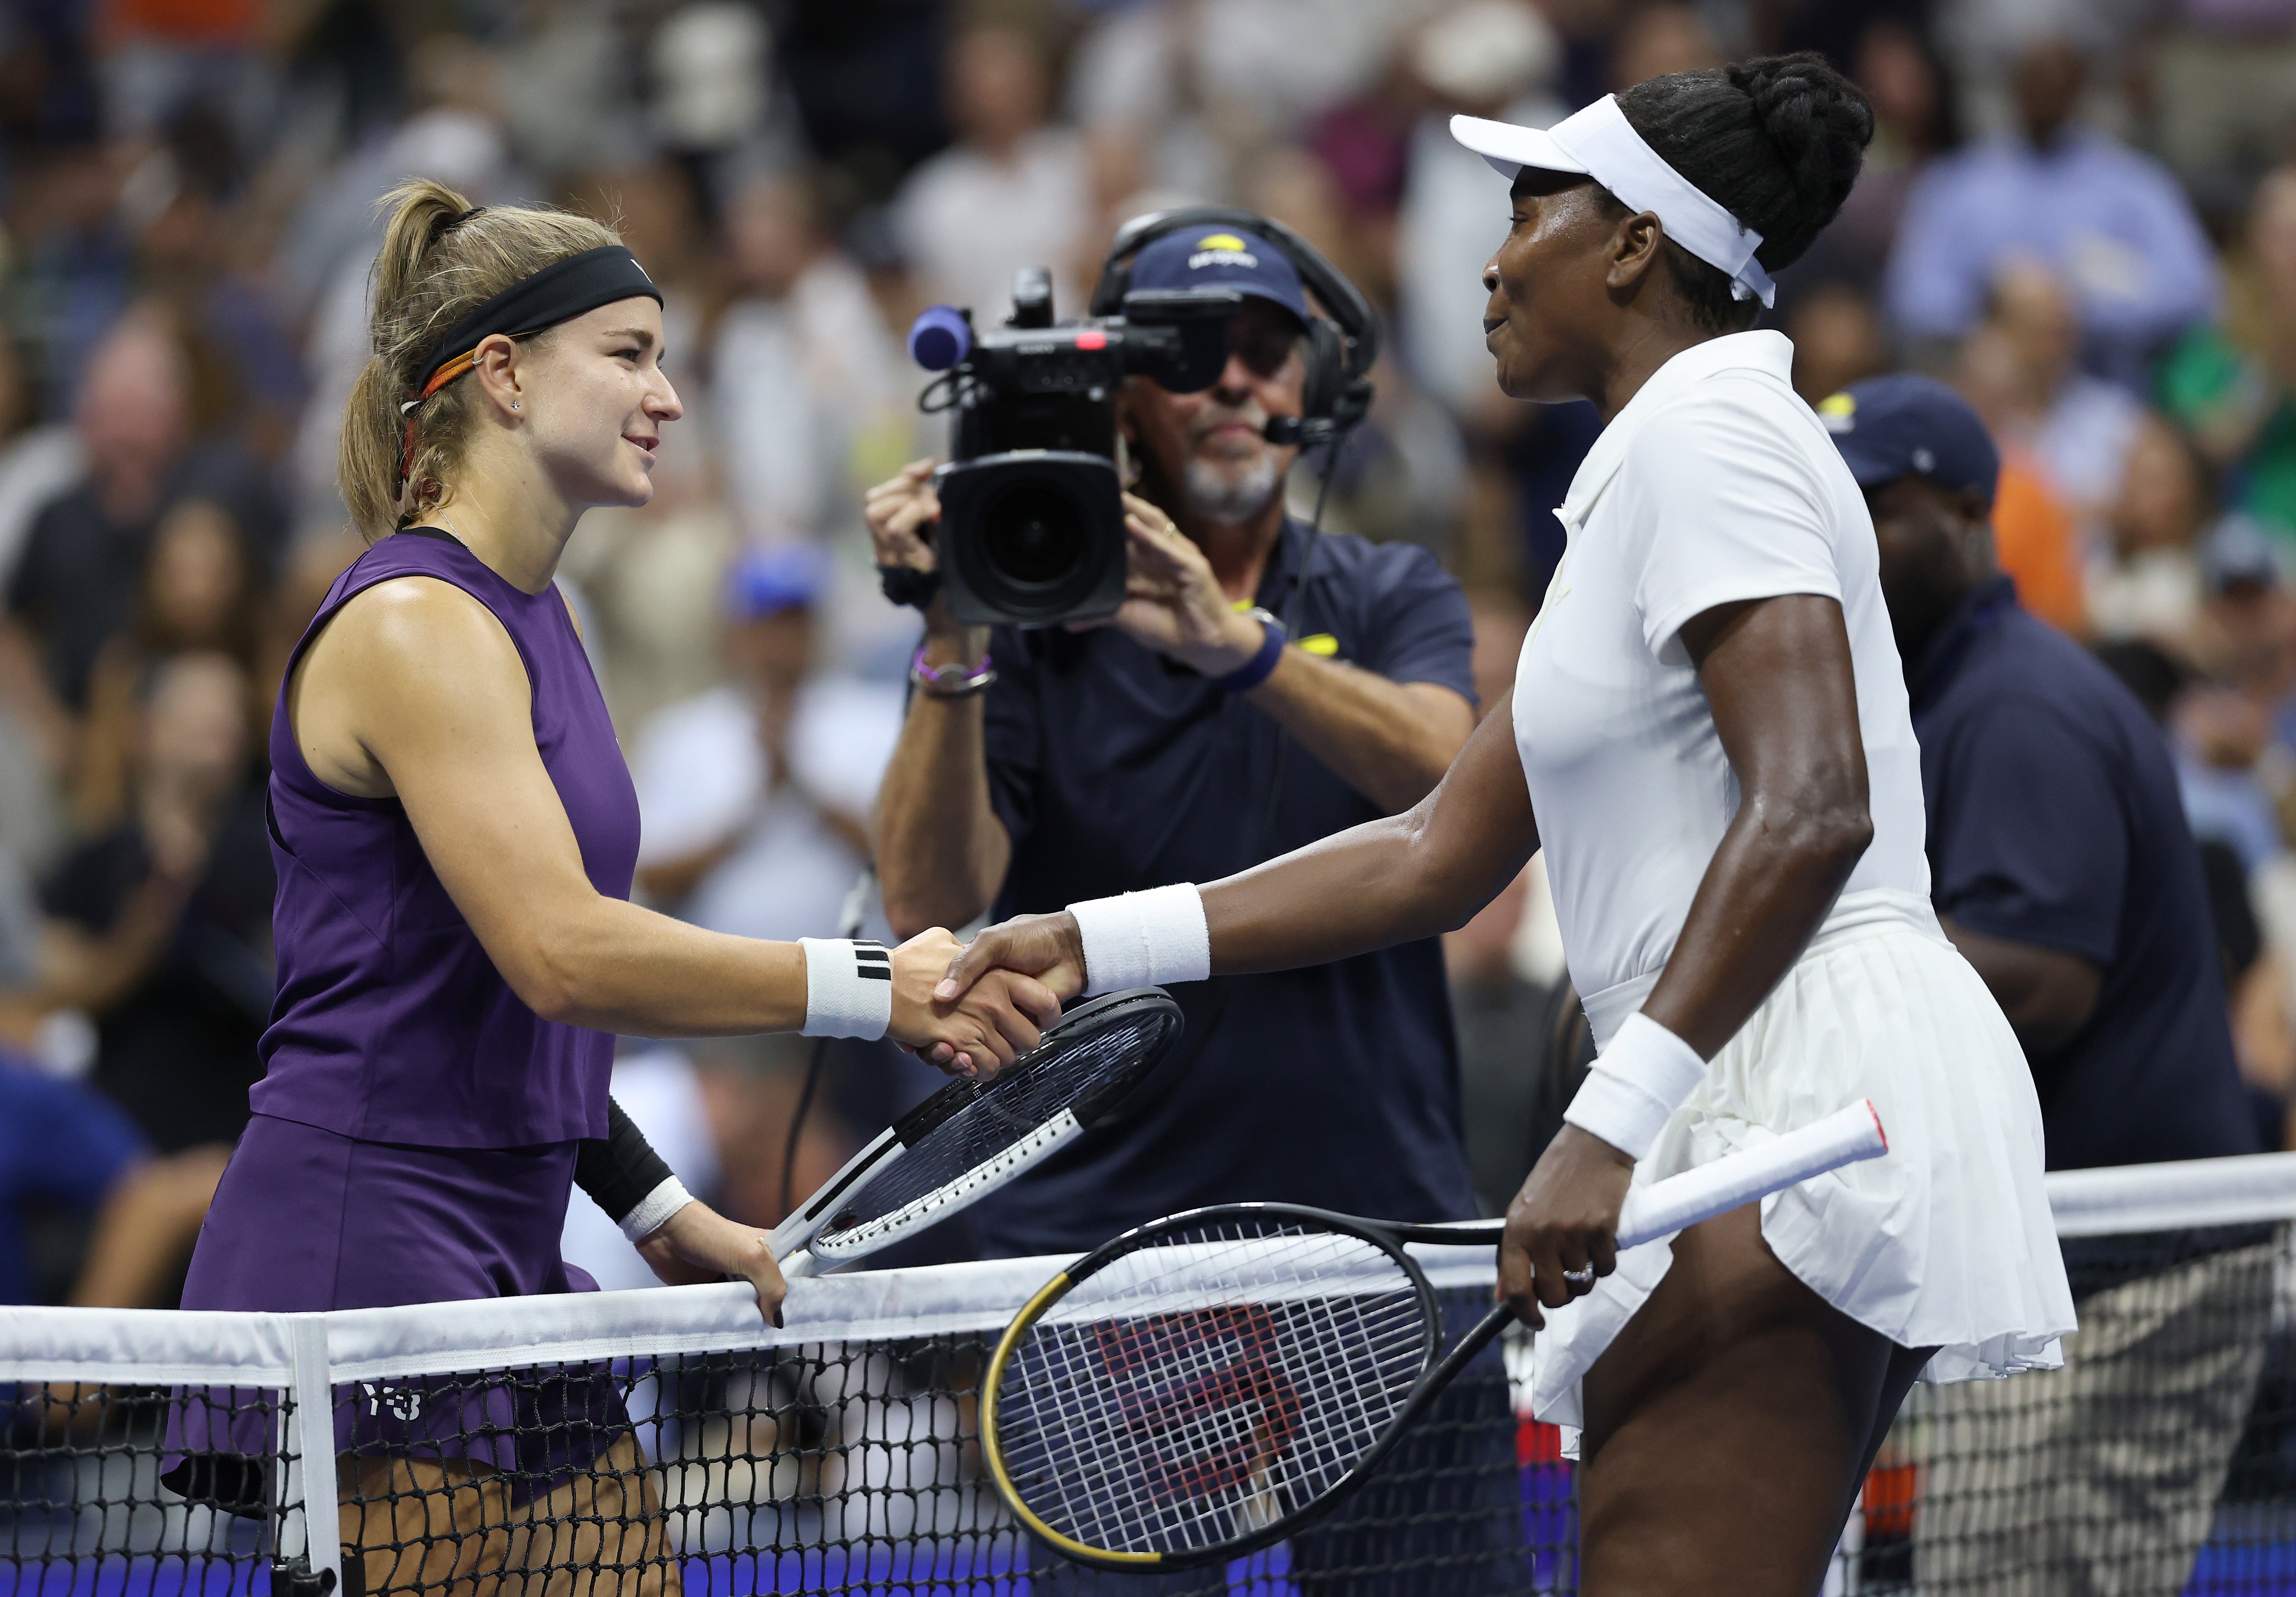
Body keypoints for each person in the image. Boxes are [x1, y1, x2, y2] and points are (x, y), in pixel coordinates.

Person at [942, 56, 2074, 1589]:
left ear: (1631, 245)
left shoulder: (1706, 438)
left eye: (1530, 206)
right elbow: (1432, 854)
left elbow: (1812, 808)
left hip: (1786, 1090)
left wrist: (1604, 1126)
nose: (1488, 254)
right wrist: (1094, 938)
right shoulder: (1661, 464)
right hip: (1763, 1074)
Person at [164, 180, 1058, 1595]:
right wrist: (876, 988)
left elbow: (505, 1015)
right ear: (505, 377)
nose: (670, 397)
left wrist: (662, 1214)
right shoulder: (414, 626)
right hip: (367, 1242)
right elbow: (561, 957)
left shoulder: (537, 623)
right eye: (630, 354)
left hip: (512, 1240)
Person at [866, 216, 1511, 1587]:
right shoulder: (1026, 626)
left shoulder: (1388, 590)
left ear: (1312, 389)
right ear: (1124, 402)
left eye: (1264, 351)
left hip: (1377, 1236)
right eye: (1190, 355)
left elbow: (1453, 787)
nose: (1233, 384)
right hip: (1104, 1262)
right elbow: (931, 899)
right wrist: (952, 629)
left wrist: (1241, 651)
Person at [1824, 370, 2272, 1589]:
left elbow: (2036, 980)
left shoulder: (2017, 702)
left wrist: (1800, 985)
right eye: (1830, 504)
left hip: (2132, 1266)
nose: (1846, 536)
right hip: (2052, 1260)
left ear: (1971, 514)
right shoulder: (1935, 692)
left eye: (1880, 505)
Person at [1883, 34, 2218, 390]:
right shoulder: (1958, 184)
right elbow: (1912, 300)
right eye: (2035, 78)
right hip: (1987, 391)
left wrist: (2074, 312)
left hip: (2103, 391)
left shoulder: (2132, 186)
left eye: (2058, 80)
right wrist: (1999, 315)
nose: (2046, 92)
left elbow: (2194, 292)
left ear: (2080, 87)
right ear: (2013, 85)